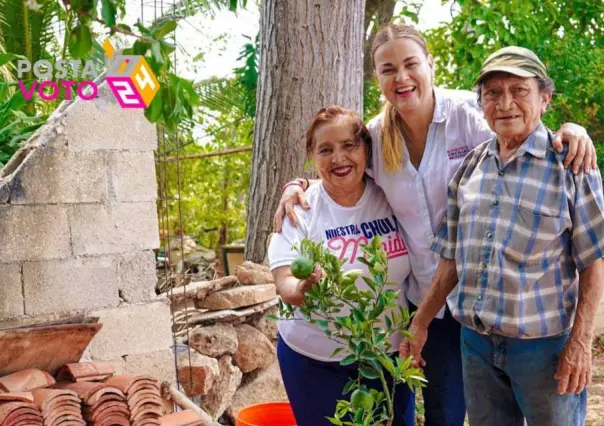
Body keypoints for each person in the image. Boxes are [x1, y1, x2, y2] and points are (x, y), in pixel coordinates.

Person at [273, 24, 598, 426]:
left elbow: (523, 131)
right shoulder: (374, 137)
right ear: (377, 78)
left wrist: (573, 130)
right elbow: (339, 169)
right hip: (426, 301)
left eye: (411, 64)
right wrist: (296, 185)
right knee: (446, 413)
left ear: (430, 64)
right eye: (388, 69)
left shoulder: (470, 115)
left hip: (496, 305)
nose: (401, 77)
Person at [401, 46, 604, 426]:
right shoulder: (471, 168)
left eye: (519, 90)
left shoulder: (572, 167)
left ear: (544, 99)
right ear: (482, 104)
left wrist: (581, 343)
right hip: (476, 345)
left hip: (544, 351)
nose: (505, 103)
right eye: (493, 93)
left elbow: (594, 263)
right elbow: (450, 261)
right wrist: (421, 322)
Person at [268, 105, 415, 426]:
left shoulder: (391, 194)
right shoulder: (300, 209)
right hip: (313, 361)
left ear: (366, 148)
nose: (339, 158)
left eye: (349, 145)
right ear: (312, 155)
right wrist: (302, 289)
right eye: (326, 149)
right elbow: (284, 281)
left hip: (387, 357)